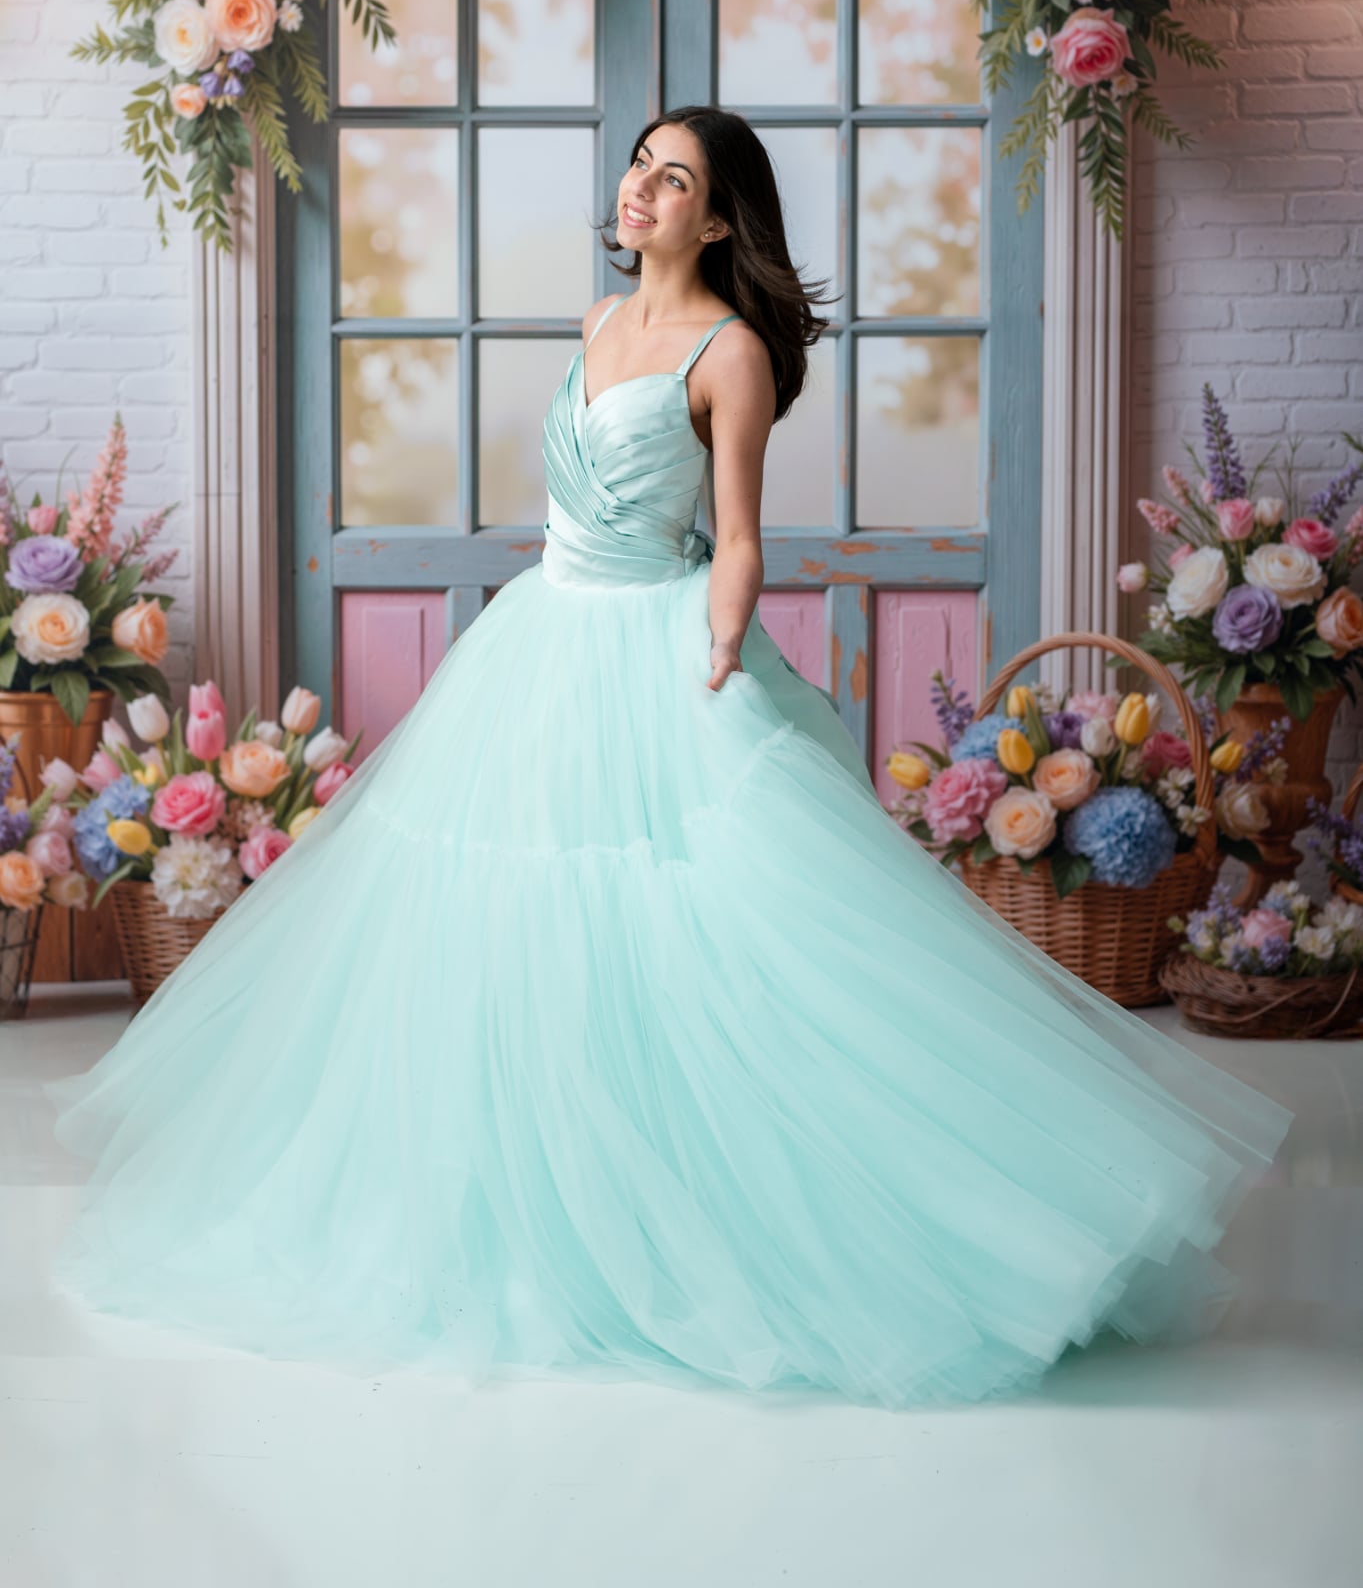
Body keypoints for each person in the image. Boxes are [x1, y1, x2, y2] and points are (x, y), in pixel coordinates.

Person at [45, 106, 1293, 1410]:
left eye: (674, 176)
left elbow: (743, 530)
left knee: (718, 929)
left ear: (717, 217)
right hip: (540, 639)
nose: (642, 186)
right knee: (494, 924)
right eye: (640, 162)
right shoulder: (595, 323)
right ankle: (529, 1202)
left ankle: (760, 1209)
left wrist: (722, 634)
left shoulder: (732, 351)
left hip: (659, 638)